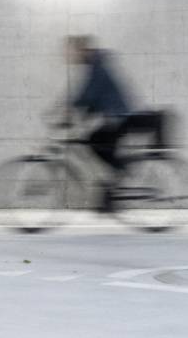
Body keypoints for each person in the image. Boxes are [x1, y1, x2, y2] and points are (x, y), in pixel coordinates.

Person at [65, 35, 167, 211]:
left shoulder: (98, 66)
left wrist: (69, 110)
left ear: (82, 49)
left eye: (72, 51)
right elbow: (95, 97)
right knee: (98, 143)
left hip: (120, 117)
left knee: (95, 142)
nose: (70, 56)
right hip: (116, 116)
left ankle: (117, 179)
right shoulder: (97, 64)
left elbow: (89, 93)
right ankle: (112, 185)